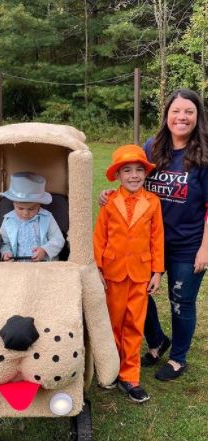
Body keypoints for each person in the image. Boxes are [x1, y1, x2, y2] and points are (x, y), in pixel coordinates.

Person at [100, 89, 208, 383]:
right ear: (167, 115)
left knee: (180, 300)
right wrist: (113, 195)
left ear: (197, 117)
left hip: (188, 244)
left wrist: (205, 248)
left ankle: (178, 358)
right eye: (176, 111)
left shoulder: (203, 154)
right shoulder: (153, 147)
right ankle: (158, 340)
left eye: (189, 111)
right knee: (141, 293)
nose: (181, 117)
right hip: (147, 242)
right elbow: (133, 176)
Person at [94, 144, 164, 403]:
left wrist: (157, 271)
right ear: (117, 175)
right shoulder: (109, 201)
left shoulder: (153, 202)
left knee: (135, 324)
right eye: (127, 170)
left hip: (141, 274)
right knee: (112, 323)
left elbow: (158, 238)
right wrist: (98, 268)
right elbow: (100, 237)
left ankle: (130, 376)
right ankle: (110, 370)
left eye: (138, 170)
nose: (133, 175)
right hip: (112, 273)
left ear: (145, 174)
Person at [0, 172, 65, 262]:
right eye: (20, 208)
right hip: (17, 266)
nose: (25, 213)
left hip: (44, 265)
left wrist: (45, 250)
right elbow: (5, 243)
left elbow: (58, 239)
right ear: (13, 203)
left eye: (31, 209)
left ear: (39, 205)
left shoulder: (47, 217)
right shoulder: (8, 220)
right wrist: (6, 253)